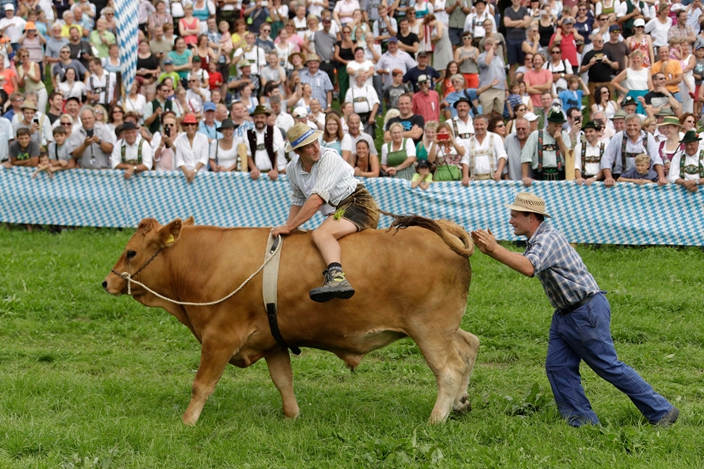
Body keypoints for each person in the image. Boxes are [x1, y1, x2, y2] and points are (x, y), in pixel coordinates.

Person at [471, 192, 680, 428]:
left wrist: (494, 249)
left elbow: (528, 267)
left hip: (584, 311)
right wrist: (492, 250)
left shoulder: (548, 239)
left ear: (531, 217)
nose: (510, 221)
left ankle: (662, 411)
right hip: (566, 313)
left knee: (608, 365)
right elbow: (525, 261)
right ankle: (582, 423)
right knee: (558, 366)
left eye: (514, 216)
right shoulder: (538, 240)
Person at [270, 123, 380, 302]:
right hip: (340, 210)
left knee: (321, 234)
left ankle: (337, 278)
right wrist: (287, 228)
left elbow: (316, 200)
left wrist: (289, 227)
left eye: (316, 142)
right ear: (298, 151)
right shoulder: (292, 169)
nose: (316, 148)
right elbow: (298, 200)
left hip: (359, 204)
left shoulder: (329, 157)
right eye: (309, 146)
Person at [601, 114, 666, 186]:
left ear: (640, 126)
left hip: (644, 180)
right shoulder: (618, 137)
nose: (632, 127)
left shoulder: (648, 137)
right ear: (625, 126)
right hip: (622, 179)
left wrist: (661, 177)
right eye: (629, 125)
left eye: (635, 125)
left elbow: (656, 158)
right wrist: (608, 177)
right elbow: (607, 158)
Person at [521, 106, 571, 184]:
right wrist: (525, 176)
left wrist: (560, 141)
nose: (558, 129)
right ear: (549, 123)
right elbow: (526, 157)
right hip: (540, 178)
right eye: (556, 126)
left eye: (560, 126)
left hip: (560, 178)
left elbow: (569, 159)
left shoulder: (565, 136)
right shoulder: (536, 135)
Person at [460, 113, 506, 184]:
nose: (479, 127)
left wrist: (499, 172)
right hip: (474, 180)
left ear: (487, 124)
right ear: (473, 125)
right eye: (476, 125)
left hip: (493, 179)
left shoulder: (495, 137)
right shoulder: (468, 141)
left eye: (481, 124)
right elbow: (465, 160)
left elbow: (502, 156)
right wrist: (465, 176)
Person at [244, 105, 286, 181]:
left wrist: (275, 170)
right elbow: (248, 154)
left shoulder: (274, 130)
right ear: (253, 119)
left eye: (262, 117)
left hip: (272, 174)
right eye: (257, 117)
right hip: (255, 175)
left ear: (266, 118)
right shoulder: (247, 133)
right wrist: (253, 169)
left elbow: (279, 152)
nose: (259, 120)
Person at [172, 112, 208, 183]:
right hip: (184, 176)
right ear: (184, 127)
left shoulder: (203, 138)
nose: (189, 126)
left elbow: (204, 158)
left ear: (196, 125)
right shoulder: (179, 139)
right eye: (187, 124)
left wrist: (194, 171)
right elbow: (179, 160)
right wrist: (187, 173)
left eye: (192, 124)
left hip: (201, 174)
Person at [574, 120, 606, 184]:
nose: (588, 134)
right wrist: (579, 178)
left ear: (597, 132)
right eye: (586, 132)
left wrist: (594, 178)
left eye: (590, 131)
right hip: (584, 181)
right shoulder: (579, 147)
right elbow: (577, 165)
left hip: (601, 182)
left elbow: (606, 167)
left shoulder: (605, 147)